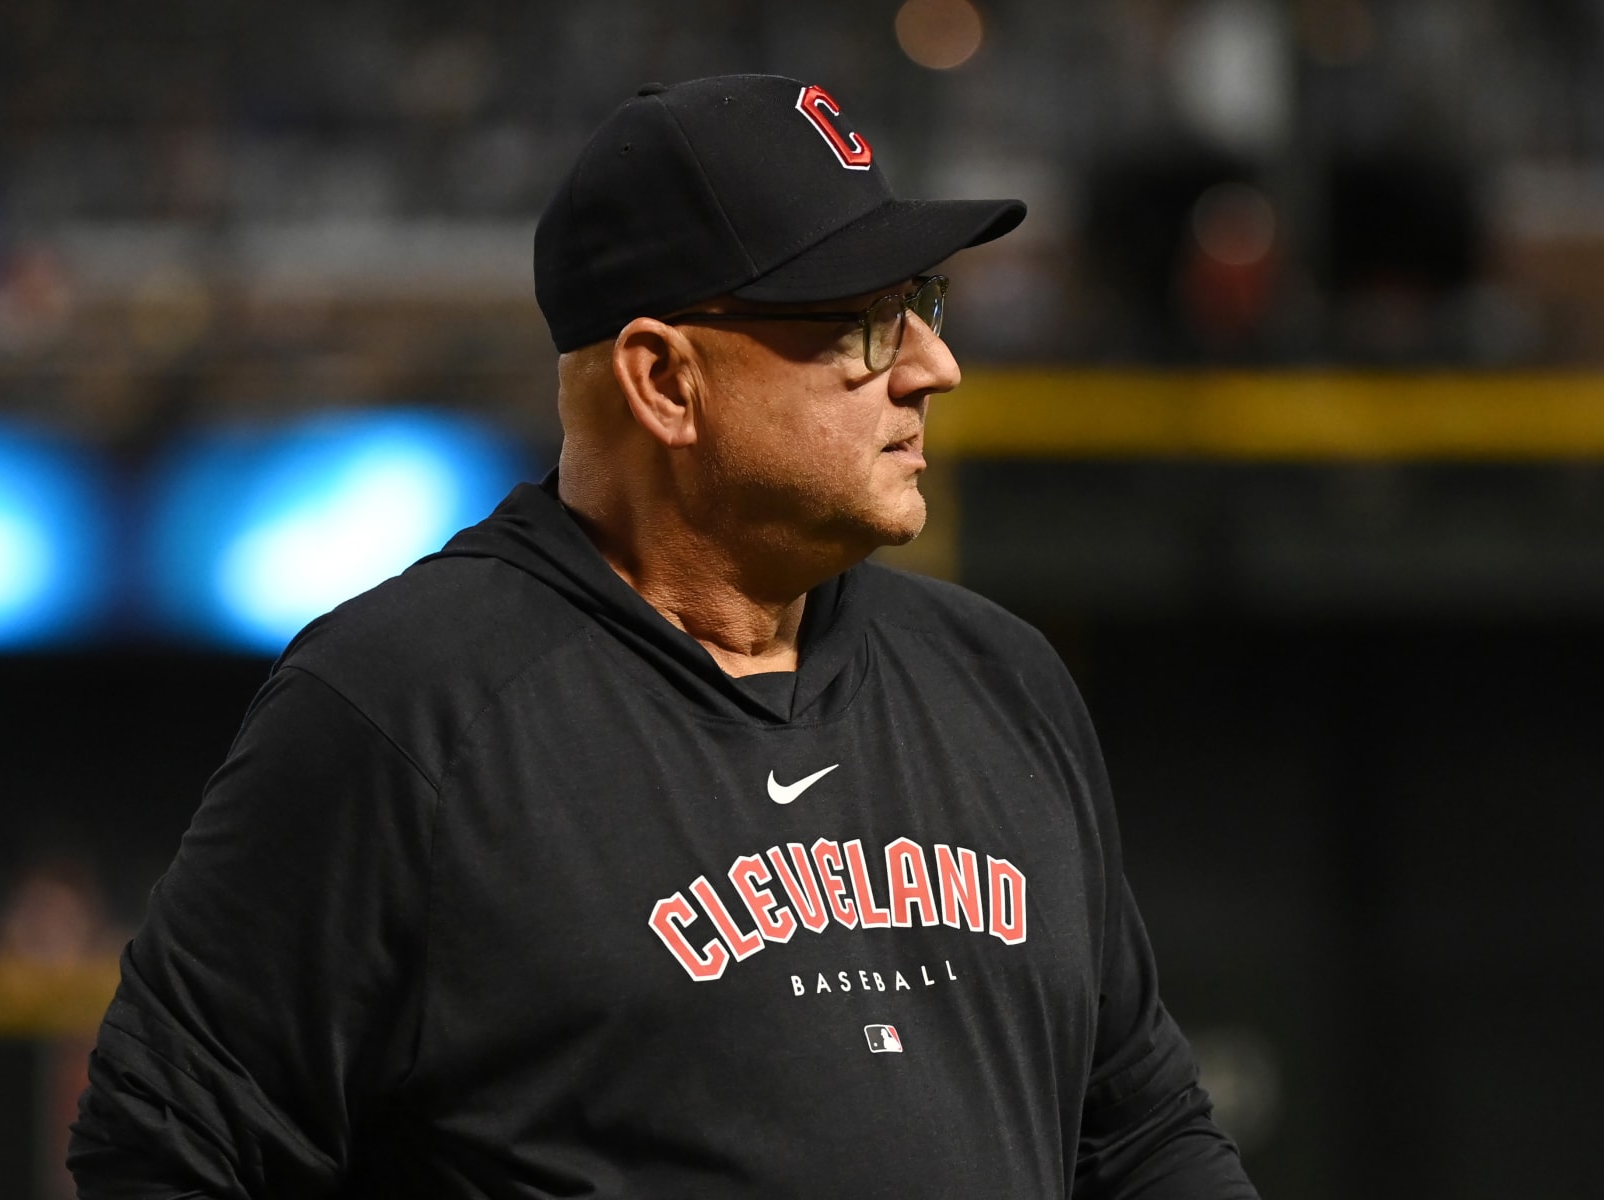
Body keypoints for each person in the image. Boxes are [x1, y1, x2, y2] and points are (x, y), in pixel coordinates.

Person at [69, 74, 1260, 1198]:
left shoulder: (1002, 680)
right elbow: (161, 1151)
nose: (935, 368)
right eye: (863, 324)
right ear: (665, 382)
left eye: (924, 308)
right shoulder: (403, 708)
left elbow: (1142, 1132)